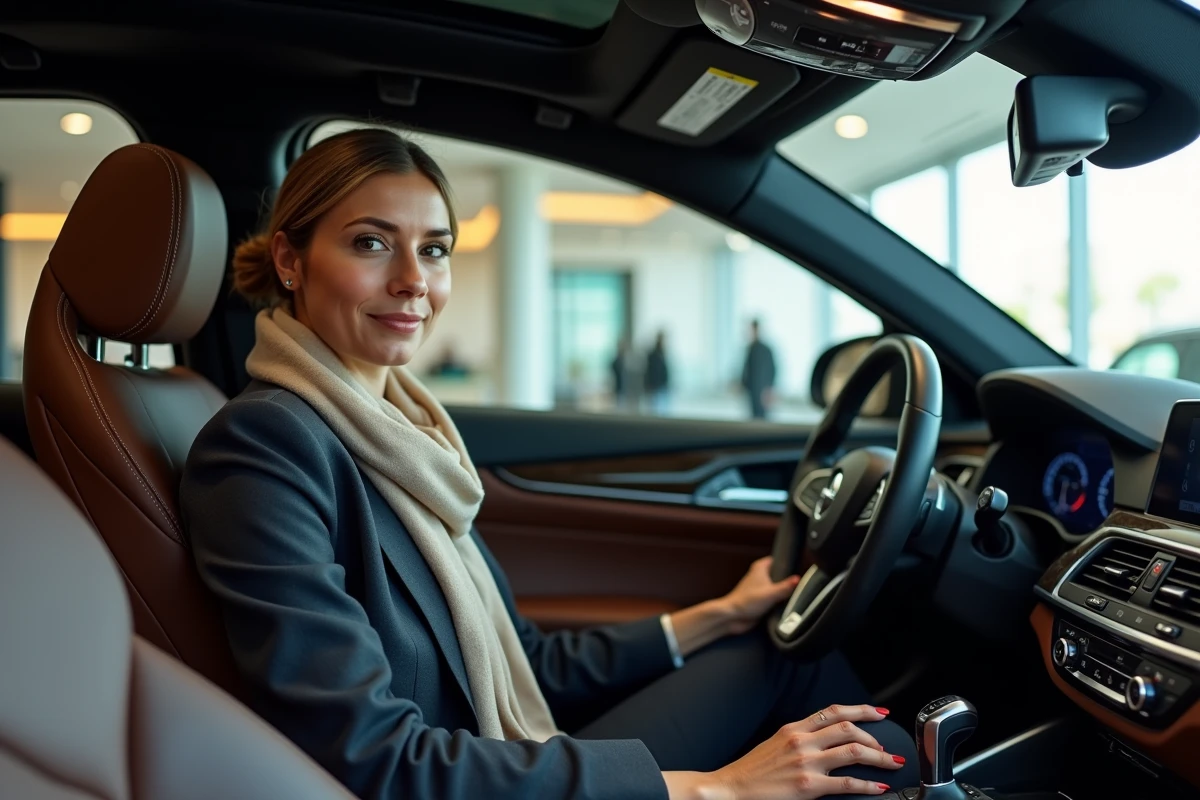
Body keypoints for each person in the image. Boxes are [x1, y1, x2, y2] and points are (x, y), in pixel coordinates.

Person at [180, 128, 918, 800]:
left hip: (501, 754)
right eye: (372, 244)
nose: (413, 279)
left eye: (433, 249)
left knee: (779, 656)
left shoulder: (407, 436)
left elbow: (525, 662)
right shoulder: (263, 449)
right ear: (289, 260)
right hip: (457, 779)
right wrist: (713, 789)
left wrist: (710, 617)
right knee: (860, 746)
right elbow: (373, 757)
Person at [742, 319, 778, 420]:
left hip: (763, 392)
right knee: (753, 417)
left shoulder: (766, 350)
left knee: (763, 418)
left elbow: (773, 370)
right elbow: (746, 372)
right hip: (752, 392)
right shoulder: (750, 349)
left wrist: (769, 389)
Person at [643, 330, 671, 415]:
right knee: (654, 410)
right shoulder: (652, 354)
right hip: (654, 387)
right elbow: (650, 371)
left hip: (662, 386)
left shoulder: (663, 353)